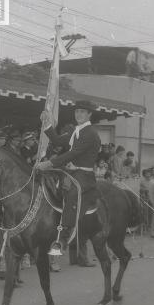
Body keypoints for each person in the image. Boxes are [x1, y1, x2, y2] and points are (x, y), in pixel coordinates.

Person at [36, 100, 101, 254]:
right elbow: (57, 140)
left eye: (83, 112)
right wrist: (46, 124)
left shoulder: (90, 133)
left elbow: (74, 153)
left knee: (72, 193)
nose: (79, 114)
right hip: (72, 171)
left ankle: (63, 237)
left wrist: (50, 163)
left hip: (84, 174)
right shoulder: (76, 131)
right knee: (51, 187)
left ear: (89, 114)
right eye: (77, 111)